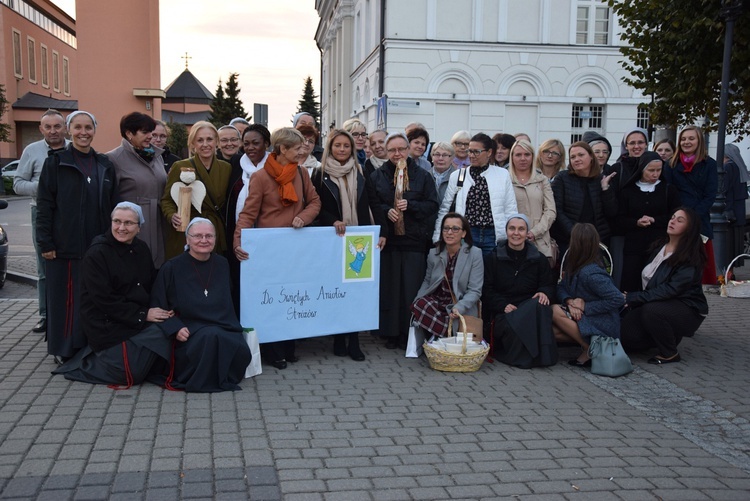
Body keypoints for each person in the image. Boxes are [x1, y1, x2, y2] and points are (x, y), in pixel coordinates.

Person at [53, 203, 172, 387]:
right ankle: (94, 363)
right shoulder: (97, 253)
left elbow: (151, 283)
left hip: (131, 315)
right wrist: (144, 314)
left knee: (169, 327)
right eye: (116, 221)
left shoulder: (141, 248)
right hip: (106, 322)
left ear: (139, 227)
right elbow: (104, 300)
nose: (121, 228)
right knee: (135, 370)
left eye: (128, 223)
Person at [234, 127, 321, 369]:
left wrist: (304, 216)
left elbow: (315, 202)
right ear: (282, 149)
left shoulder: (302, 174)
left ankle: (289, 347)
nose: (301, 151)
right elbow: (248, 214)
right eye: (296, 148)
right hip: (269, 249)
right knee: (273, 299)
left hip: (296, 248)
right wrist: (238, 242)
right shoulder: (261, 178)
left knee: (292, 296)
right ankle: (273, 351)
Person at [36, 111, 119, 365]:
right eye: (78, 127)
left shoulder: (104, 164)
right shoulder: (56, 162)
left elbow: (112, 205)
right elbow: (45, 205)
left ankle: (88, 344)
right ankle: (63, 348)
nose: (83, 132)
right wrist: (46, 242)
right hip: (64, 246)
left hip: (96, 245)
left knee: (91, 296)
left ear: (95, 130)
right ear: (69, 131)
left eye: (88, 127)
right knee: (65, 299)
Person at [150, 218, 252, 392]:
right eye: (198, 236)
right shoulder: (171, 267)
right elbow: (159, 304)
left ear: (215, 239)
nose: (204, 240)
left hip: (224, 324)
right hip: (190, 330)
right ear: (187, 239)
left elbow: (231, 299)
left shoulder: (223, 264)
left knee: (237, 346)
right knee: (210, 338)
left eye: (209, 236)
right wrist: (174, 328)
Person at [312, 129, 387, 360]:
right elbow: (315, 205)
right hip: (332, 239)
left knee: (355, 291)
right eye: (338, 145)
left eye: (346, 146)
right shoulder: (319, 173)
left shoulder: (361, 171)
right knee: (336, 289)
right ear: (330, 148)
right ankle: (337, 338)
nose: (342, 149)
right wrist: (331, 220)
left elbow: (372, 203)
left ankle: (354, 340)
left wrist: (381, 231)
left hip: (359, 238)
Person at [368, 132, 440, 349]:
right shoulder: (378, 176)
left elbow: (432, 205)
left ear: (408, 151)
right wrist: (386, 210)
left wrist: (412, 206)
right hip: (389, 241)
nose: (397, 153)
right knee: (390, 288)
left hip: (414, 241)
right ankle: (390, 332)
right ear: (386, 152)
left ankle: (408, 332)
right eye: (392, 150)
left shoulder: (423, 175)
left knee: (410, 288)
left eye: (401, 149)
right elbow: (373, 203)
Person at [621, 208, 708, 364]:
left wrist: (635, 298)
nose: (672, 221)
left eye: (680, 220)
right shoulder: (659, 247)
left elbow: (671, 289)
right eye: (672, 217)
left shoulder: (689, 257)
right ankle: (665, 335)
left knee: (652, 311)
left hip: (686, 307)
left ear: (689, 228)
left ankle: (669, 352)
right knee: (626, 334)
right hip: (658, 302)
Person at [13, 109, 69, 334]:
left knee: (71, 265)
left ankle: (68, 313)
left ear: (64, 127)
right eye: (49, 127)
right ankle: (46, 315)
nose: (53, 131)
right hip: (41, 214)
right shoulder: (32, 151)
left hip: (69, 215)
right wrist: (45, 187)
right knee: (44, 268)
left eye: (57, 126)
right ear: (41, 129)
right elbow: (17, 184)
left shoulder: (74, 149)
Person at [483, 214, 557, 368]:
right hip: (505, 313)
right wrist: (503, 305)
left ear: (527, 233)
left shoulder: (539, 259)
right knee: (528, 314)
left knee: (541, 304)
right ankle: (532, 358)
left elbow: (549, 285)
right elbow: (486, 291)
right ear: (506, 231)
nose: (516, 233)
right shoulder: (493, 259)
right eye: (512, 228)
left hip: (529, 311)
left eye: (521, 229)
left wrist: (544, 292)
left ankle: (541, 357)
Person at [552, 223, 624, 367]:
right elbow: (561, 287)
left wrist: (585, 306)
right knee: (551, 330)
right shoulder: (574, 265)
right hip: (584, 317)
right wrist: (570, 301)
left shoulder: (592, 273)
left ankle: (591, 348)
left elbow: (618, 299)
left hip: (601, 320)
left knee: (554, 310)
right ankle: (591, 346)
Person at [435, 133, 518, 255]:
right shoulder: (459, 175)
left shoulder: (502, 174)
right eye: (470, 151)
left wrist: (512, 234)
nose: (471, 156)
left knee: (490, 272)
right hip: (466, 234)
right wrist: (437, 235)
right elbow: (445, 207)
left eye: (476, 152)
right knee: (466, 271)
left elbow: (510, 208)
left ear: (489, 152)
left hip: (493, 234)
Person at [161, 121, 231, 260]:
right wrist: (172, 215)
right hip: (187, 229)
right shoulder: (180, 166)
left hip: (213, 229)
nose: (205, 144)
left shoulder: (226, 168)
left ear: (216, 141)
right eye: (200, 140)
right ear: (193, 144)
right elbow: (167, 200)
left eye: (209, 139)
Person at [106, 112, 167, 268]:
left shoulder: (156, 156)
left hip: (160, 223)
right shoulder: (113, 159)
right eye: (145, 132)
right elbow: (108, 197)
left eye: (151, 132)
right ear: (129, 133)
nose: (150, 136)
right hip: (133, 225)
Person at [616, 151, 681, 292]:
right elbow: (619, 219)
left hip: (659, 245)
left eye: (658, 170)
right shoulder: (628, 191)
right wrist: (636, 222)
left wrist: (654, 220)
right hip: (633, 245)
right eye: (651, 170)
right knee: (631, 281)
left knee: (655, 281)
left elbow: (675, 215)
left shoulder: (668, 190)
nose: (655, 174)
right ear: (641, 169)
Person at [411, 213, 483, 338]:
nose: (449, 232)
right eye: (446, 228)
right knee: (419, 304)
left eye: (455, 229)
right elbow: (427, 281)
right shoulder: (434, 253)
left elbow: (475, 291)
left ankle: (441, 337)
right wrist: (417, 300)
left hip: (459, 303)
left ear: (464, 233)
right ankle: (447, 336)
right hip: (437, 301)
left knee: (453, 316)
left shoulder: (474, 254)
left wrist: (460, 307)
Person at [225, 124, 272, 314]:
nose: (250, 147)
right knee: (240, 282)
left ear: (266, 144)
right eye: (246, 144)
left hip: (267, 237)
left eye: (255, 143)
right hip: (239, 235)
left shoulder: (275, 167)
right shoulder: (234, 165)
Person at [663, 126, 718, 284]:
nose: (686, 142)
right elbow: (669, 192)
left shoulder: (709, 164)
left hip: (700, 221)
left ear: (699, 141)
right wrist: (680, 216)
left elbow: (710, 195)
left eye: (691, 138)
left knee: (701, 269)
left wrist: (693, 217)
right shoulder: (671, 164)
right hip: (677, 217)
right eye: (683, 139)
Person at [551, 141, 617, 254]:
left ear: (591, 156)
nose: (576, 159)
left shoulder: (601, 179)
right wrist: (575, 233)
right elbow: (557, 210)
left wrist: (605, 189)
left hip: (597, 241)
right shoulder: (562, 178)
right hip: (568, 240)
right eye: (572, 157)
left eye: (581, 155)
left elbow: (611, 213)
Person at [508, 140, 557, 264]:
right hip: (512, 241)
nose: (523, 158)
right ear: (512, 157)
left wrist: (535, 232)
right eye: (518, 155)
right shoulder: (505, 179)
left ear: (533, 157)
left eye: (527, 154)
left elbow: (550, 211)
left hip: (540, 242)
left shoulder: (542, 180)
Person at [723, 144, 748, 259]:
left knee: (727, 245)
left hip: (729, 211)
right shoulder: (739, 167)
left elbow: (725, 188)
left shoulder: (728, 167)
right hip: (738, 212)